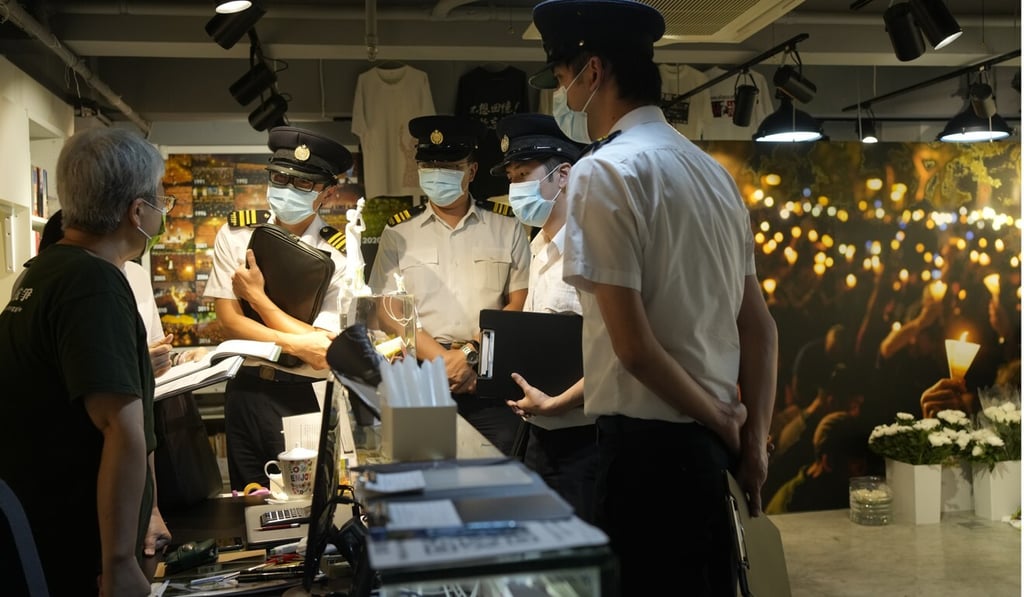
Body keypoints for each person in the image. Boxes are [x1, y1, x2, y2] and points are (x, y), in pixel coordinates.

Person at [530, 1, 779, 594]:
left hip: (648, 458)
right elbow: (761, 329)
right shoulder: (713, 173)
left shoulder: (604, 171)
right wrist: (753, 444)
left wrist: (724, 419)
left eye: (563, 80)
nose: (563, 96)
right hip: (710, 453)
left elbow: (634, 349)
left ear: (592, 72)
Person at [0, 127, 170, 596]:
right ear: (137, 211)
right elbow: (121, 429)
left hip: (45, 533)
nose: (162, 211)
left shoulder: (46, 270)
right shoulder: (93, 284)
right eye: (160, 200)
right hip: (78, 551)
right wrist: (117, 562)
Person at [368, 114, 531, 456]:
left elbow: (520, 303)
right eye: (430, 164)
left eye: (450, 164)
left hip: (489, 381)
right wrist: (443, 360)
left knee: (495, 492)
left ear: (471, 171)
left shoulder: (508, 226)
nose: (437, 172)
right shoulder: (398, 232)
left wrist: (470, 355)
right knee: (426, 492)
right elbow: (387, 310)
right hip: (421, 380)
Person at [204, 126, 353, 489]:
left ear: (329, 193)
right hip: (244, 388)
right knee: (249, 499)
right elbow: (229, 322)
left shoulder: (340, 254)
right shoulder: (237, 234)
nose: (287, 189)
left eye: (303, 184)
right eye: (280, 177)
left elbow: (323, 347)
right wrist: (295, 343)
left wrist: (257, 299)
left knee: (304, 504)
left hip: (303, 393)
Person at [491, 113, 598, 521]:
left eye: (525, 174)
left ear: (563, 175)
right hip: (539, 433)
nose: (515, 187)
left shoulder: (588, 247)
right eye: (512, 176)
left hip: (585, 439)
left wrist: (559, 402)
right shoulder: (538, 248)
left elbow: (615, 350)